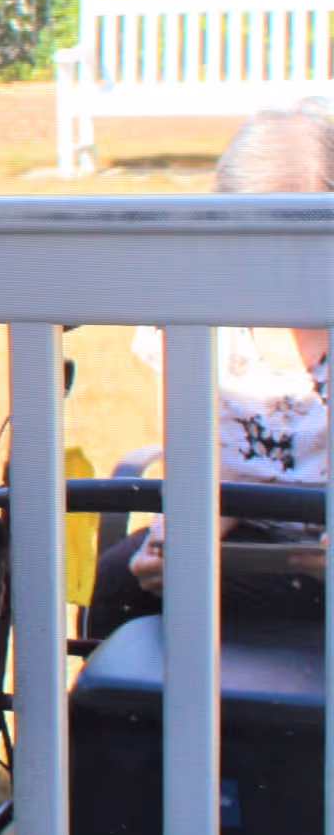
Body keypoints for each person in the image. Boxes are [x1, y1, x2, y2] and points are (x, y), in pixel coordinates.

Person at [85, 106, 331, 640]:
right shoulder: (197, 318)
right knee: (121, 578)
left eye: (306, 251)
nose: (281, 275)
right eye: (260, 251)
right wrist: (179, 541)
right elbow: (200, 460)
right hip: (244, 533)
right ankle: (107, 722)